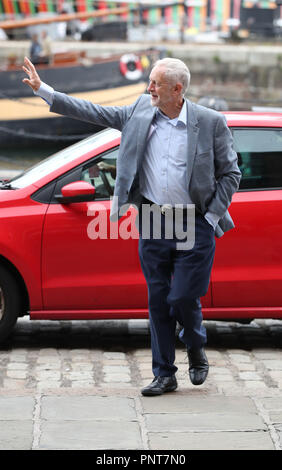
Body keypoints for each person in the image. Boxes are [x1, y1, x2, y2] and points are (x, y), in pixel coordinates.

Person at [22, 56, 241, 396]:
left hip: (193, 220)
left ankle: (195, 344)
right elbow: (92, 111)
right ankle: (164, 374)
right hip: (153, 217)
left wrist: (211, 216)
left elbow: (231, 174)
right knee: (158, 299)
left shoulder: (210, 122)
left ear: (176, 89)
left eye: (155, 83)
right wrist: (44, 91)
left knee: (183, 296)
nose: (148, 88)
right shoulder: (139, 112)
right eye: (150, 82)